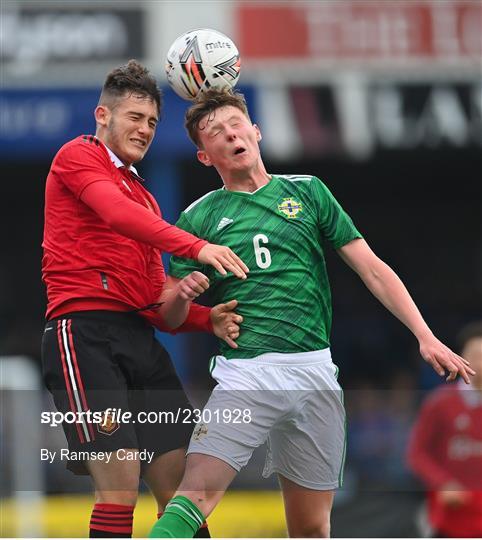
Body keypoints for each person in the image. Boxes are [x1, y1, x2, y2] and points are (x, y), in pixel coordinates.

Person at [148, 89, 474, 539]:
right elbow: (167, 313)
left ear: (255, 131)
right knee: (195, 496)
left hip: (314, 374)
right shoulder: (197, 217)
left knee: (312, 528)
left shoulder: (308, 192)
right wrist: (185, 292)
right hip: (248, 375)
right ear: (205, 157)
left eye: (235, 124)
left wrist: (426, 335)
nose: (229, 134)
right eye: (215, 132)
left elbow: (372, 269)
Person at [41, 61, 249, 538]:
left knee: (183, 486)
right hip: (84, 334)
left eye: (152, 121)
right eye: (135, 116)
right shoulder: (78, 155)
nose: (145, 129)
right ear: (102, 115)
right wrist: (196, 246)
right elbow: (114, 215)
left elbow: (157, 304)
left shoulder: (148, 201)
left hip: (137, 338)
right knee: (120, 484)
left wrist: (204, 318)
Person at [407, 321, 482, 538]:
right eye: (475, 354)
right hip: (451, 518)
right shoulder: (440, 403)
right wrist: (443, 483)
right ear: (461, 357)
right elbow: (416, 454)